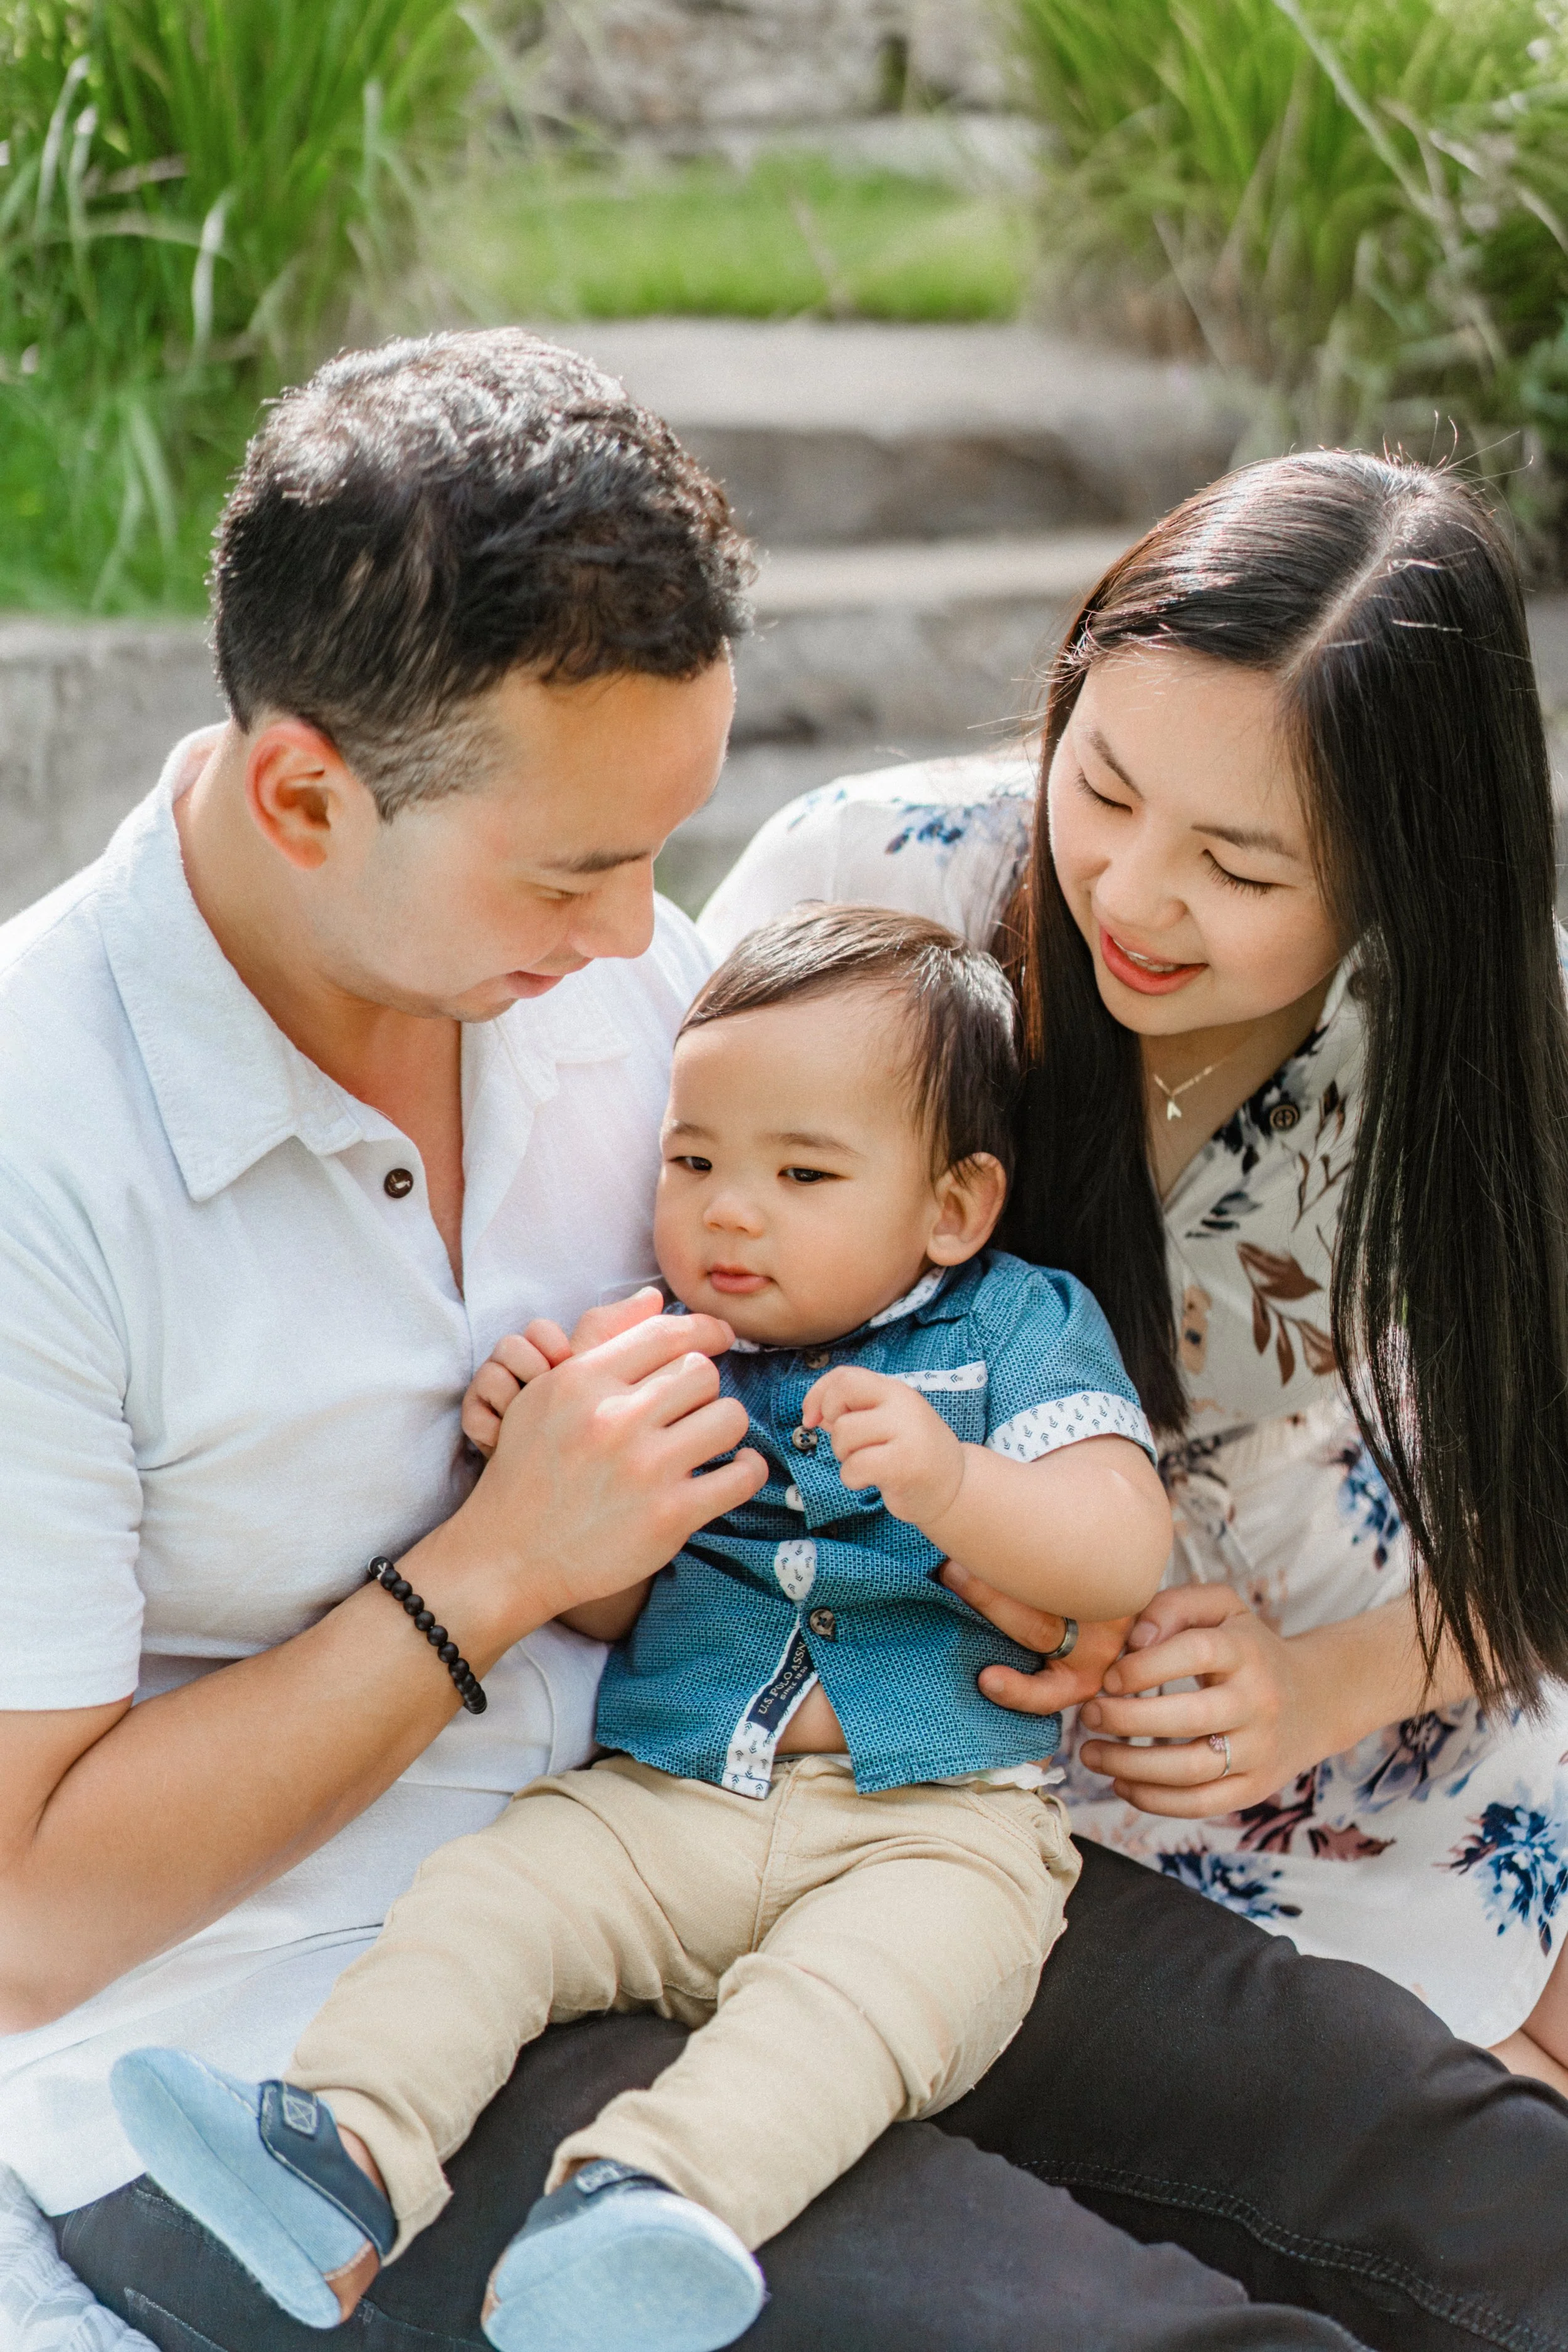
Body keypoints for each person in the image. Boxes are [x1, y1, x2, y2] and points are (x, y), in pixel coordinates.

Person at [0, 335, 1560, 2352]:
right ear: (308, 791)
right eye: (581, 866)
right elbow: (27, 1915)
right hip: (315, 2030)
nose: (654, 931)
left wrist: (1017, 1555)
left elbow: (919, 1349)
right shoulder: (44, 1141)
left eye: (666, 842)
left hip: (831, 1821)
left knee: (1482, 2191)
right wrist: (490, 1569)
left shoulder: (609, 983)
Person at [111, 904, 1172, 2352]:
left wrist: (957, 1481)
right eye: (693, 1161)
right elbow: (607, 1598)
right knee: (488, 1908)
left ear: (951, 1206)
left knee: (842, 2015)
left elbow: (1119, 1545)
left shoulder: (1013, 1330)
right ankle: (338, 2152)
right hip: (665, 1796)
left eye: (801, 1172)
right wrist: (538, 1462)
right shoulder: (662, 1345)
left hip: (930, 1825)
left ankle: (644, 2209)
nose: (729, 1212)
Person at [702, 450, 1568, 2084]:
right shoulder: (876, 890)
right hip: (940, 1750)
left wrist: (1325, 1683)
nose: (1131, 889)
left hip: (1394, 1709)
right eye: (1097, 783)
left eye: (1241, 867)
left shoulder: (1508, 1047)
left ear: (1407, 879)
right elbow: (674, 1268)